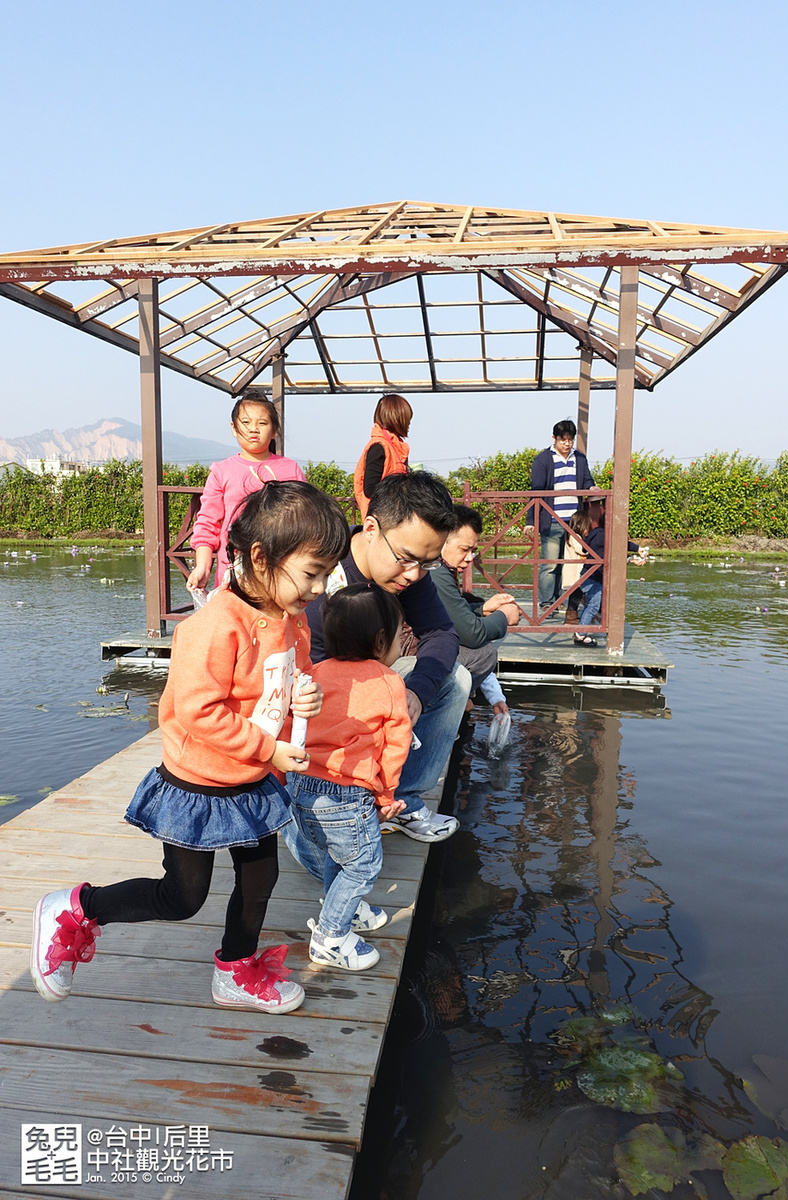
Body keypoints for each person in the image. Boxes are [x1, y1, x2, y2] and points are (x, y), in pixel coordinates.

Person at [30, 481, 351, 1014]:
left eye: (324, 575)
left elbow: (293, 677)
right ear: (259, 557)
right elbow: (198, 713)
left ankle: (235, 969)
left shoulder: (290, 622)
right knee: (182, 897)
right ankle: (77, 908)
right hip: (198, 783)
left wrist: (306, 692)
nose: (318, 589)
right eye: (311, 573)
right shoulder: (213, 627)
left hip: (251, 778)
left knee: (260, 878)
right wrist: (268, 751)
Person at [288, 471, 470, 851]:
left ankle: (403, 800)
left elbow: (441, 633)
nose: (414, 575)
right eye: (406, 559)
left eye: (428, 563)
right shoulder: (320, 576)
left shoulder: (411, 573)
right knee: (318, 854)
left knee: (455, 680)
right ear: (371, 528)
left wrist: (416, 694)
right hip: (307, 705)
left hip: (369, 685)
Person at [289, 585, 412, 972]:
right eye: (398, 635)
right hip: (347, 795)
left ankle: (344, 909)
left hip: (302, 787)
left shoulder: (315, 672)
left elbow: (290, 726)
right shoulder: (389, 682)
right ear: (380, 642)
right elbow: (396, 746)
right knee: (361, 866)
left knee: (336, 856)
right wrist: (386, 793)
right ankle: (330, 937)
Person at [187, 394, 306, 591]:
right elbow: (207, 525)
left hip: (280, 574)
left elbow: (303, 521)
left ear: (274, 430)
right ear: (233, 428)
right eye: (245, 422)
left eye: (262, 422)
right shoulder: (221, 471)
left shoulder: (291, 470)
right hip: (232, 575)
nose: (253, 428)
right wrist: (202, 567)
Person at [431, 504, 522, 714]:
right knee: (485, 653)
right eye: (464, 550)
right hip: (415, 653)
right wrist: (504, 616)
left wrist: (483, 608)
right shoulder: (436, 572)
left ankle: (459, 697)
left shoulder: (439, 567)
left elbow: (452, 612)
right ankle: (451, 700)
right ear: (442, 540)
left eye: (473, 551)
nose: (470, 558)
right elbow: (472, 635)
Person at [524, 419, 595, 614]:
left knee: (567, 563)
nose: (567, 444)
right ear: (554, 438)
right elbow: (536, 493)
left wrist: (592, 488)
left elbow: (587, 479)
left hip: (574, 522)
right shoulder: (543, 460)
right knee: (550, 563)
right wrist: (531, 521)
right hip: (552, 520)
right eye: (563, 440)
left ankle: (560, 600)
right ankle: (547, 602)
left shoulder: (579, 458)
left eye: (570, 440)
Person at [574, 511, 639, 647]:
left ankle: (583, 631)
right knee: (593, 605)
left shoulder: (600, 534)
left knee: (593, 604)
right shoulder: (602, 536)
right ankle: (580, 634)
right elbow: (609, 554)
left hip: (591, 576)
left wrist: (636, 550)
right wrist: (631, 557)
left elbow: (618, 546)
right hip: (591, 577)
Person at [353, 393, 413, 521]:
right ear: (397, 418)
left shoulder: (397, 447)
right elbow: (370, 489)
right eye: (407, 419)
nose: (408, 424)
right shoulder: (379, 447)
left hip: (393, 516)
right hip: (381, 520)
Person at [561, 508, 592, 627]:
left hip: (575, 571)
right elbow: (582, 550)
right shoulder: (574, 537)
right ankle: (570, 616)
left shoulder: (572, 536)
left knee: (577, 594)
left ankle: (573, 614)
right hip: (574, 572)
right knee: (575, 594)